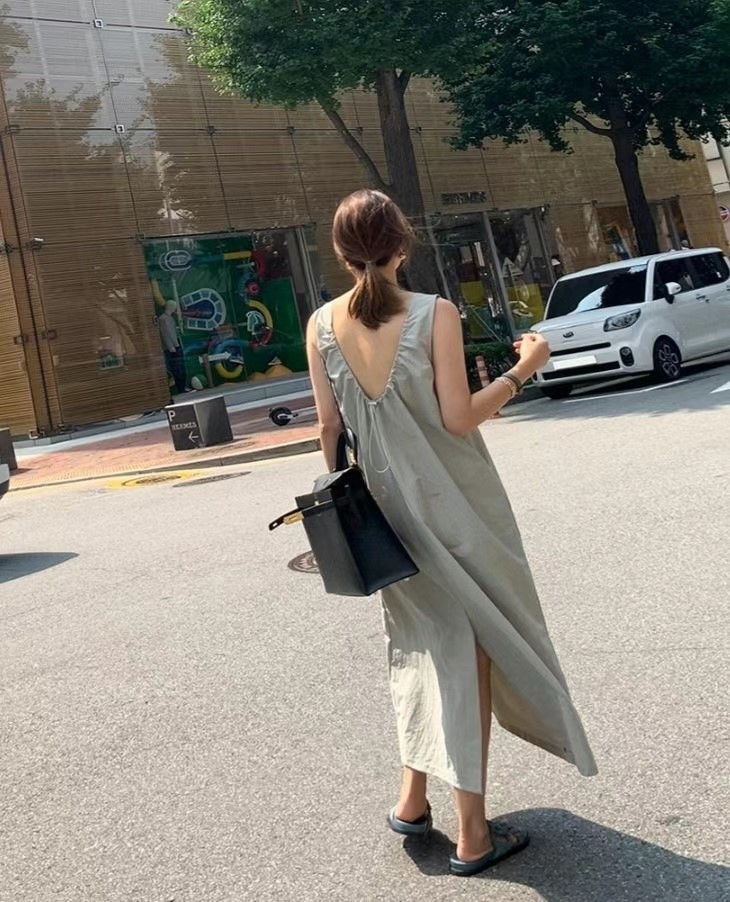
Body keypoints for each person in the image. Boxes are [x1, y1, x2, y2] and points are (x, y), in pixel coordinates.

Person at [306, 189, 597, 878]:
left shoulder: (320, 325)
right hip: (454, 507)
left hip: (383, 517)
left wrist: (357, 502)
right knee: (471, 652)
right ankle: (471, 832)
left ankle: (412, 799)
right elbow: (459, 418)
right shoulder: (432, 312)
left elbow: (328, 427)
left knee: (421, 645)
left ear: (341, 253)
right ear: (402, 243)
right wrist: (525, 367)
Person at [157, 301, 189, 395]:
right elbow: (165, 334)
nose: (175, 309)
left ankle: (183, 386)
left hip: (176, 345)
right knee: (177, 368)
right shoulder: (163, 319)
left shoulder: (170, 318)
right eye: (174, 307)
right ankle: (181, 388)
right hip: (172, 347)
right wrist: (170, 346)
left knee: (181, 366)